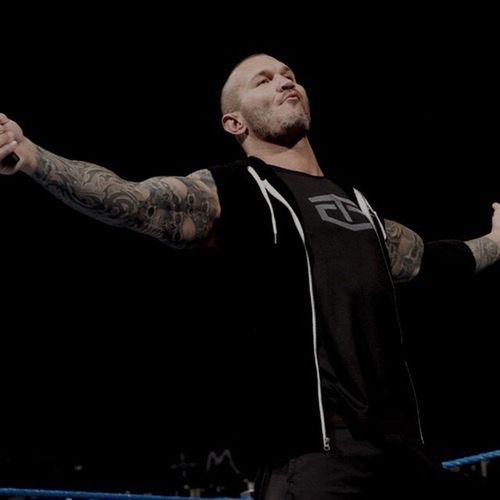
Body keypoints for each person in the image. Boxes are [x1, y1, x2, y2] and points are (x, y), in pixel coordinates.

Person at [1, 53, 499, 499]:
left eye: (289, 75)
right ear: (234, 121)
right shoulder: (234, 191)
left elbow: (432, 261)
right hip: (314, 458)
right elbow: (126, 199)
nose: (285, 81)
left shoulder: (357, 205)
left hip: (400, 449)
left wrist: (498, 241)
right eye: (263, 80)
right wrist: (30, 155)